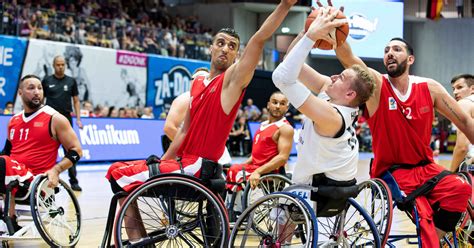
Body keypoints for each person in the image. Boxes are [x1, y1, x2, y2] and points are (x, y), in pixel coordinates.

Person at [105, 0, 297, 242]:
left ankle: (135, 241)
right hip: (182, 164)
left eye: (232, 46)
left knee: (118, 174)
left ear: (237, 54)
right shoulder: (198, 83)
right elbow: (184, 130)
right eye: (220, 43)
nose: (225, 49)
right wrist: (163, 164)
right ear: (211, 48)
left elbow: (259, 39)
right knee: (117, 170)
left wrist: (285, 5)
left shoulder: (231, 82)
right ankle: (138, 240)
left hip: (198, 167)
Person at [333, 5, 474, 245]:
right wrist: (336, 32)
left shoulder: (429, 88)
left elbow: (464, 121)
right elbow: (349, 58)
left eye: (396, 49)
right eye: (386, 50)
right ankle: (430, 240)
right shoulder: (377, 85)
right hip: (392, 171)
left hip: (426, 168)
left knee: (459, 188)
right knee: (423, 212)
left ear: (410, 59)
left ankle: (434, 240)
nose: (389, 53)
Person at [272, 7, 374, 186]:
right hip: (337, 182)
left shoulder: (332, 117)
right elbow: (290, 62)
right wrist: (307, 29)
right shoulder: (336, 96)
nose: (333, 77)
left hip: (315, 189)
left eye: (341, 77)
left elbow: (282, 78)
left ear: (350, 94)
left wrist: (311, 37)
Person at [0, 74, 82, 230]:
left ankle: (9, 219)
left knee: (4, 163)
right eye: (31, 88)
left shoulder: (55, 118)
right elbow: (6, 152)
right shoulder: (13, 121)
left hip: (35, 180)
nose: (37, 92)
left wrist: (56, 170)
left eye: (40, 88)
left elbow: (76, 151)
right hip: (13, 175)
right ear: (20, 93)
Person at [225, 92, 293, 191]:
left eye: (282, 104)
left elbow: (283, 158)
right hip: (256, 168)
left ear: (286, 108)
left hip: (270, 173)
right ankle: (230, 204)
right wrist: (243, 164)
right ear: (268, 105)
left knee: (235, 171)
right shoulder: (262, 125)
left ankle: (232, 205)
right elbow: (256, 156)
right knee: (232, 168)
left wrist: (258, 172)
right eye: (275, 102)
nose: (278, 106)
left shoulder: (285, 128)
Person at [42, 55, 83, 192]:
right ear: (54, 65)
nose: (61, 67)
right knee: (47, 151)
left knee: (70, 151)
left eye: (63, 64)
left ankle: (74, 181)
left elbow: (76, 101)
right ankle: (46, 180)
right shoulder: (46, 81)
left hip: (66, 120)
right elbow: (41, 100)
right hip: (49, 119)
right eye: (58, 64)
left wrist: (78, 118)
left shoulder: (71, 81)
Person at [450, 74, 474, 171]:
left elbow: (462, 146)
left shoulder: (464, 103)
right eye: (453, 89)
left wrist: (450, 173)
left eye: (460, 87)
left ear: (472, 89)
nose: (455, 92)